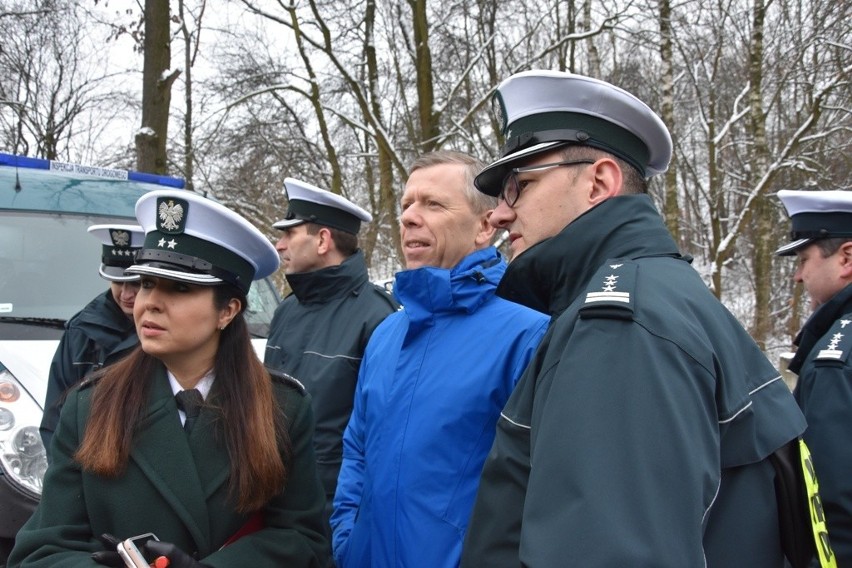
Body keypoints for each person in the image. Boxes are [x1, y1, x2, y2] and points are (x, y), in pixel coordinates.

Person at [460, 71, 808, 567]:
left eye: (521, 186)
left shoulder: (620, 325)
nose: (499, 215)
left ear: (600, 182)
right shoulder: (659, 295)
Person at [10, 189, 329, 567]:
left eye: (179, 287)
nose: (150, 302)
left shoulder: (281, 408)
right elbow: (40, 551)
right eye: (147, 283)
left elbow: (304, 540)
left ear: (227, 311)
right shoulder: (90, 406)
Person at [331, 151, 550, 568]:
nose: (410, 217)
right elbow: (357, 447)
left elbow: (539, 490)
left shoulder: (529, 336)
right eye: (407, 205)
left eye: (433, 204)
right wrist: (347, 536)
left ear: (485, 226)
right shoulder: (385, 336)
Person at [265, 177, 399, 533]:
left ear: (323, 240)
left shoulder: (378, 317)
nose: (279, 246)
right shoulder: (287, 310)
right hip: (271, 507)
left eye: (290, 234)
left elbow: (382, 439)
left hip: (333, 519)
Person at [776, 189, 852, 565]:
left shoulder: (835, 358)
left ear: (847, 258)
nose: (798, 276)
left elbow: (829, 501)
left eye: (804, 259)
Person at [40, 223, 144, 456]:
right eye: (118, 282)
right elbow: (55, 420)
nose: (126, 294)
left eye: (136, 283)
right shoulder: (81, 332)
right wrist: (69, 480)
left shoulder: (174, 333)